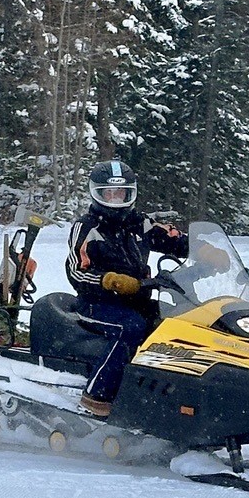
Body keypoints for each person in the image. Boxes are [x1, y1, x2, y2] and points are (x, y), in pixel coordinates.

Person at [66, 160, 188, 417]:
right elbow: (77, 270)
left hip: (137, 300)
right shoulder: (87, 228)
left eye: (120, 193)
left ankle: (164, 396)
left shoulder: (139, 223)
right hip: (96, 303)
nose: (114, 199)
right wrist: (109, 280)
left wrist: (203, 249)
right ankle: (96, 396)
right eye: (108, 193)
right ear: (96, 193)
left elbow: (170, 239)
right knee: (130, 328)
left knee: (176, 323)